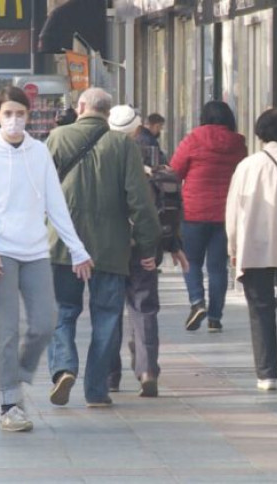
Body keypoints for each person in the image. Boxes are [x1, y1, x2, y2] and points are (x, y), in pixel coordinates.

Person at [0, 86, 93, 431]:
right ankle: (9, 403)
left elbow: (56, 203)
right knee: (5, 330)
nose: (14, 119)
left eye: (20, 113)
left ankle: (18, 373)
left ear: (29, 114)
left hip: (36, 249)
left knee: (45, 321)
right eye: (7, 113)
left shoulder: (39, 152)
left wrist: (77, 249)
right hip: (1, 253)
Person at [45, 88, 161, 408]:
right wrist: (149, 245)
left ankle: (64, 367)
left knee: (62, 311)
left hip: (61, 244)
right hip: (111, 247)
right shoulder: (123, 144)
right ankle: (96, 390)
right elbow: (140, 200)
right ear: (108, 114)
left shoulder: (56, 138)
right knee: (107, 316)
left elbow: (37, 191)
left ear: (80, 107)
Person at [107, 105, 189, 397]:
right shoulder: (153, 154)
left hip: (110, 248)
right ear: (138, 126)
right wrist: (170, 244)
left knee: (109, 310)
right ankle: (147, 370)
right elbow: (164, 202)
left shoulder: (103, 156)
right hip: (145, 246)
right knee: (144, 309)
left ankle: (110, 375)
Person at [226, 108, 277, 391]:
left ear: (259, 134)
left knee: (260, 307)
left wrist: (232, 245)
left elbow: (233, 209)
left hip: (255, 247)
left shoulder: (248, 165)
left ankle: (266, 373)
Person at [171, 101, 247, 333]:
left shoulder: (194, 138)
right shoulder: (238, 143)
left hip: (193, 211)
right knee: (217, 268)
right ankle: (215, 317)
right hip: (225, 213)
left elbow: (175, 171)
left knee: (191, 261)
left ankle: (197, 302)